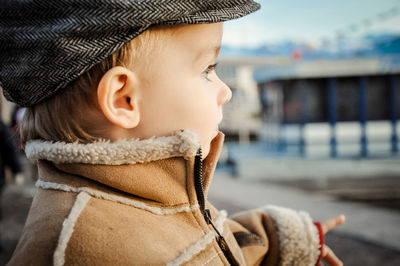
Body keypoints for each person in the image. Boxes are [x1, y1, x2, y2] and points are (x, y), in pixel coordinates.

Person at [0, 1, 345, 265]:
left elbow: (196, 240)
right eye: (208, 69)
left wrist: (275, 240)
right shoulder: (78, 250)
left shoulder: (146, 195)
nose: (225, 91)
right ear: (125, 98)